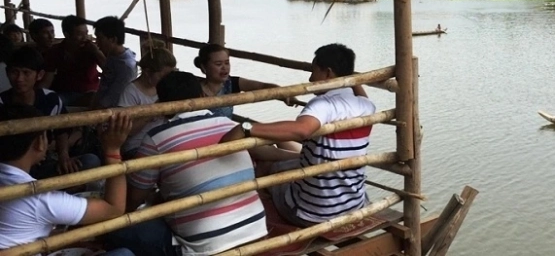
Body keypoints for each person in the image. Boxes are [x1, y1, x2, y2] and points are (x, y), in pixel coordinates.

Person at [104, 71, 267, 256]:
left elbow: (134, 198)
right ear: (202, 96)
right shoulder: (228, 124)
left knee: (118, 233)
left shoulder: (156, 138)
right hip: (257, 230)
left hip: (205, 246)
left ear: (163, 106)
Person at [220, 43, 372, 227]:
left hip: (312, 212)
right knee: (294, 156)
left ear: (328, 73)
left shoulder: (322, 105)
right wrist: (350, 78)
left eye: (314, 70)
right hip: (354, 205)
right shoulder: (366, 105)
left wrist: (247, 128)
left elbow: (302, 129)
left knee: (269, 167)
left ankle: (259, 220)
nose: (310, 78)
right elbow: (357, 91)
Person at [0, 104, 133, 256]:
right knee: (123, 254)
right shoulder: (39, 199)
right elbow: (113, 209)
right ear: (40, 142)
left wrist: (70, 240)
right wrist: (113, 150)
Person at [0, 47, 100, 181]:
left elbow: (61, 129)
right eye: (14, 72)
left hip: (45, 160)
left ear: (39, 75)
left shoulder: (50, 99)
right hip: (10, 168)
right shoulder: (1, 102)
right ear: (7, 73)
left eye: (26, 73)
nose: (19, 78)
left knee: (90, 161)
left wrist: (64, 157)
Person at [192, 43, 296, 118]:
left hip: (227, 136)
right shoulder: (193, 89)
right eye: (218, 64)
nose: (224, 68)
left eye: (227, 63)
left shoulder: (231, 83)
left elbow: (261, 86)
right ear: (204, 67)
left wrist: (283, 92)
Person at [116, 46, 176, 159]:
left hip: (163, 140)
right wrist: (152, 111)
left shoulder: (165, 87)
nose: (166, 80)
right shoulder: (131, 91)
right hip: (137, 146)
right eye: (162, 76)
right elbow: (128, 130)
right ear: (147, 72)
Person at [39, 15, 106, 107]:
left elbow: (108, 69)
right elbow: (47, 80)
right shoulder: (55, 51)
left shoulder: (91, 49)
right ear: (67, 35)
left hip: (90, 92)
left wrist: (96, 52)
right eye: (79, 34)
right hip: (65, 93)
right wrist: (37, 96)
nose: (85, 37)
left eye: (86, 33)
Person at [91, 16, 137, 109]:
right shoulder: (112, 55)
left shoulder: (126, 67)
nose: (97, 42)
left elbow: (113, 97)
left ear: (113, 40)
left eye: (100, 39)